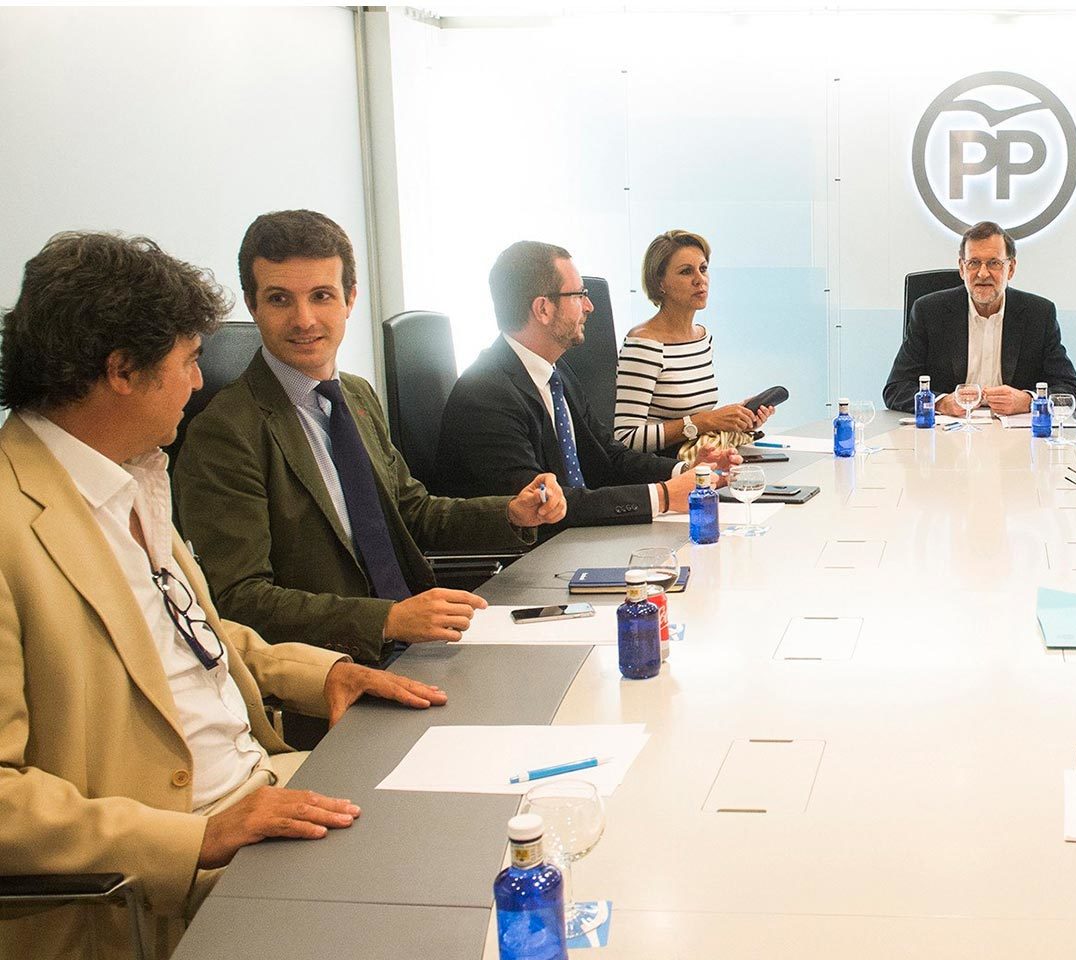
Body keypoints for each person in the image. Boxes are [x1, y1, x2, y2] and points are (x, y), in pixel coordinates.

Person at [0, 231, 448, 960]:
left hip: (261, 785)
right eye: (186, 362)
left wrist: (322, 672)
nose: (199, 383)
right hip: (162, 877)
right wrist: (194, 837)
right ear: (121, 372)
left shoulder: (132, 477)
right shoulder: (13, 525)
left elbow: (191, 635)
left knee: (469, 832)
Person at [175, 211, 566, 666]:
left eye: (321, 296)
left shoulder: (356, 395)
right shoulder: (226, 432)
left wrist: (511, 512)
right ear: (251, 304)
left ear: (350, 299)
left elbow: (412, 511)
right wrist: (387, 619)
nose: (304, 320)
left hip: (420, 644)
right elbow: (238, 600)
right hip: (339, 667)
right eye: (280, 299)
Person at [437, 240, 736, 529]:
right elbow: (544, 507)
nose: (590, 306)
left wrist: (687, 471)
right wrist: (665, 496)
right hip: (533, 558)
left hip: (576, 539)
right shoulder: (486, 394)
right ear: (543, 309)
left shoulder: (556, 372)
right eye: (578, 295)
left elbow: (609, 455)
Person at [881, 220, 1076, 415]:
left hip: (1016, 437)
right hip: (948, 434)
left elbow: (1070, 391)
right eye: (974, 263)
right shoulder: (929, 311)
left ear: (1010, 269)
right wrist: (941, 402)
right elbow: (896, 388)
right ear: (962, 268)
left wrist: (1029, 401)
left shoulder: (1038, 314)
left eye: (994, 263)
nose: (983, 273)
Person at [613, 229, 775, 454]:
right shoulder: (644, 343)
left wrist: (738, 419)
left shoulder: (702, 337)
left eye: (703, 269)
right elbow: (625, 438)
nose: (700, 280)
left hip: (700, 462)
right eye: (686, 272)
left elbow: (700, 420)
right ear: (661, 283)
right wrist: (706, 421)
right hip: (664, 470)